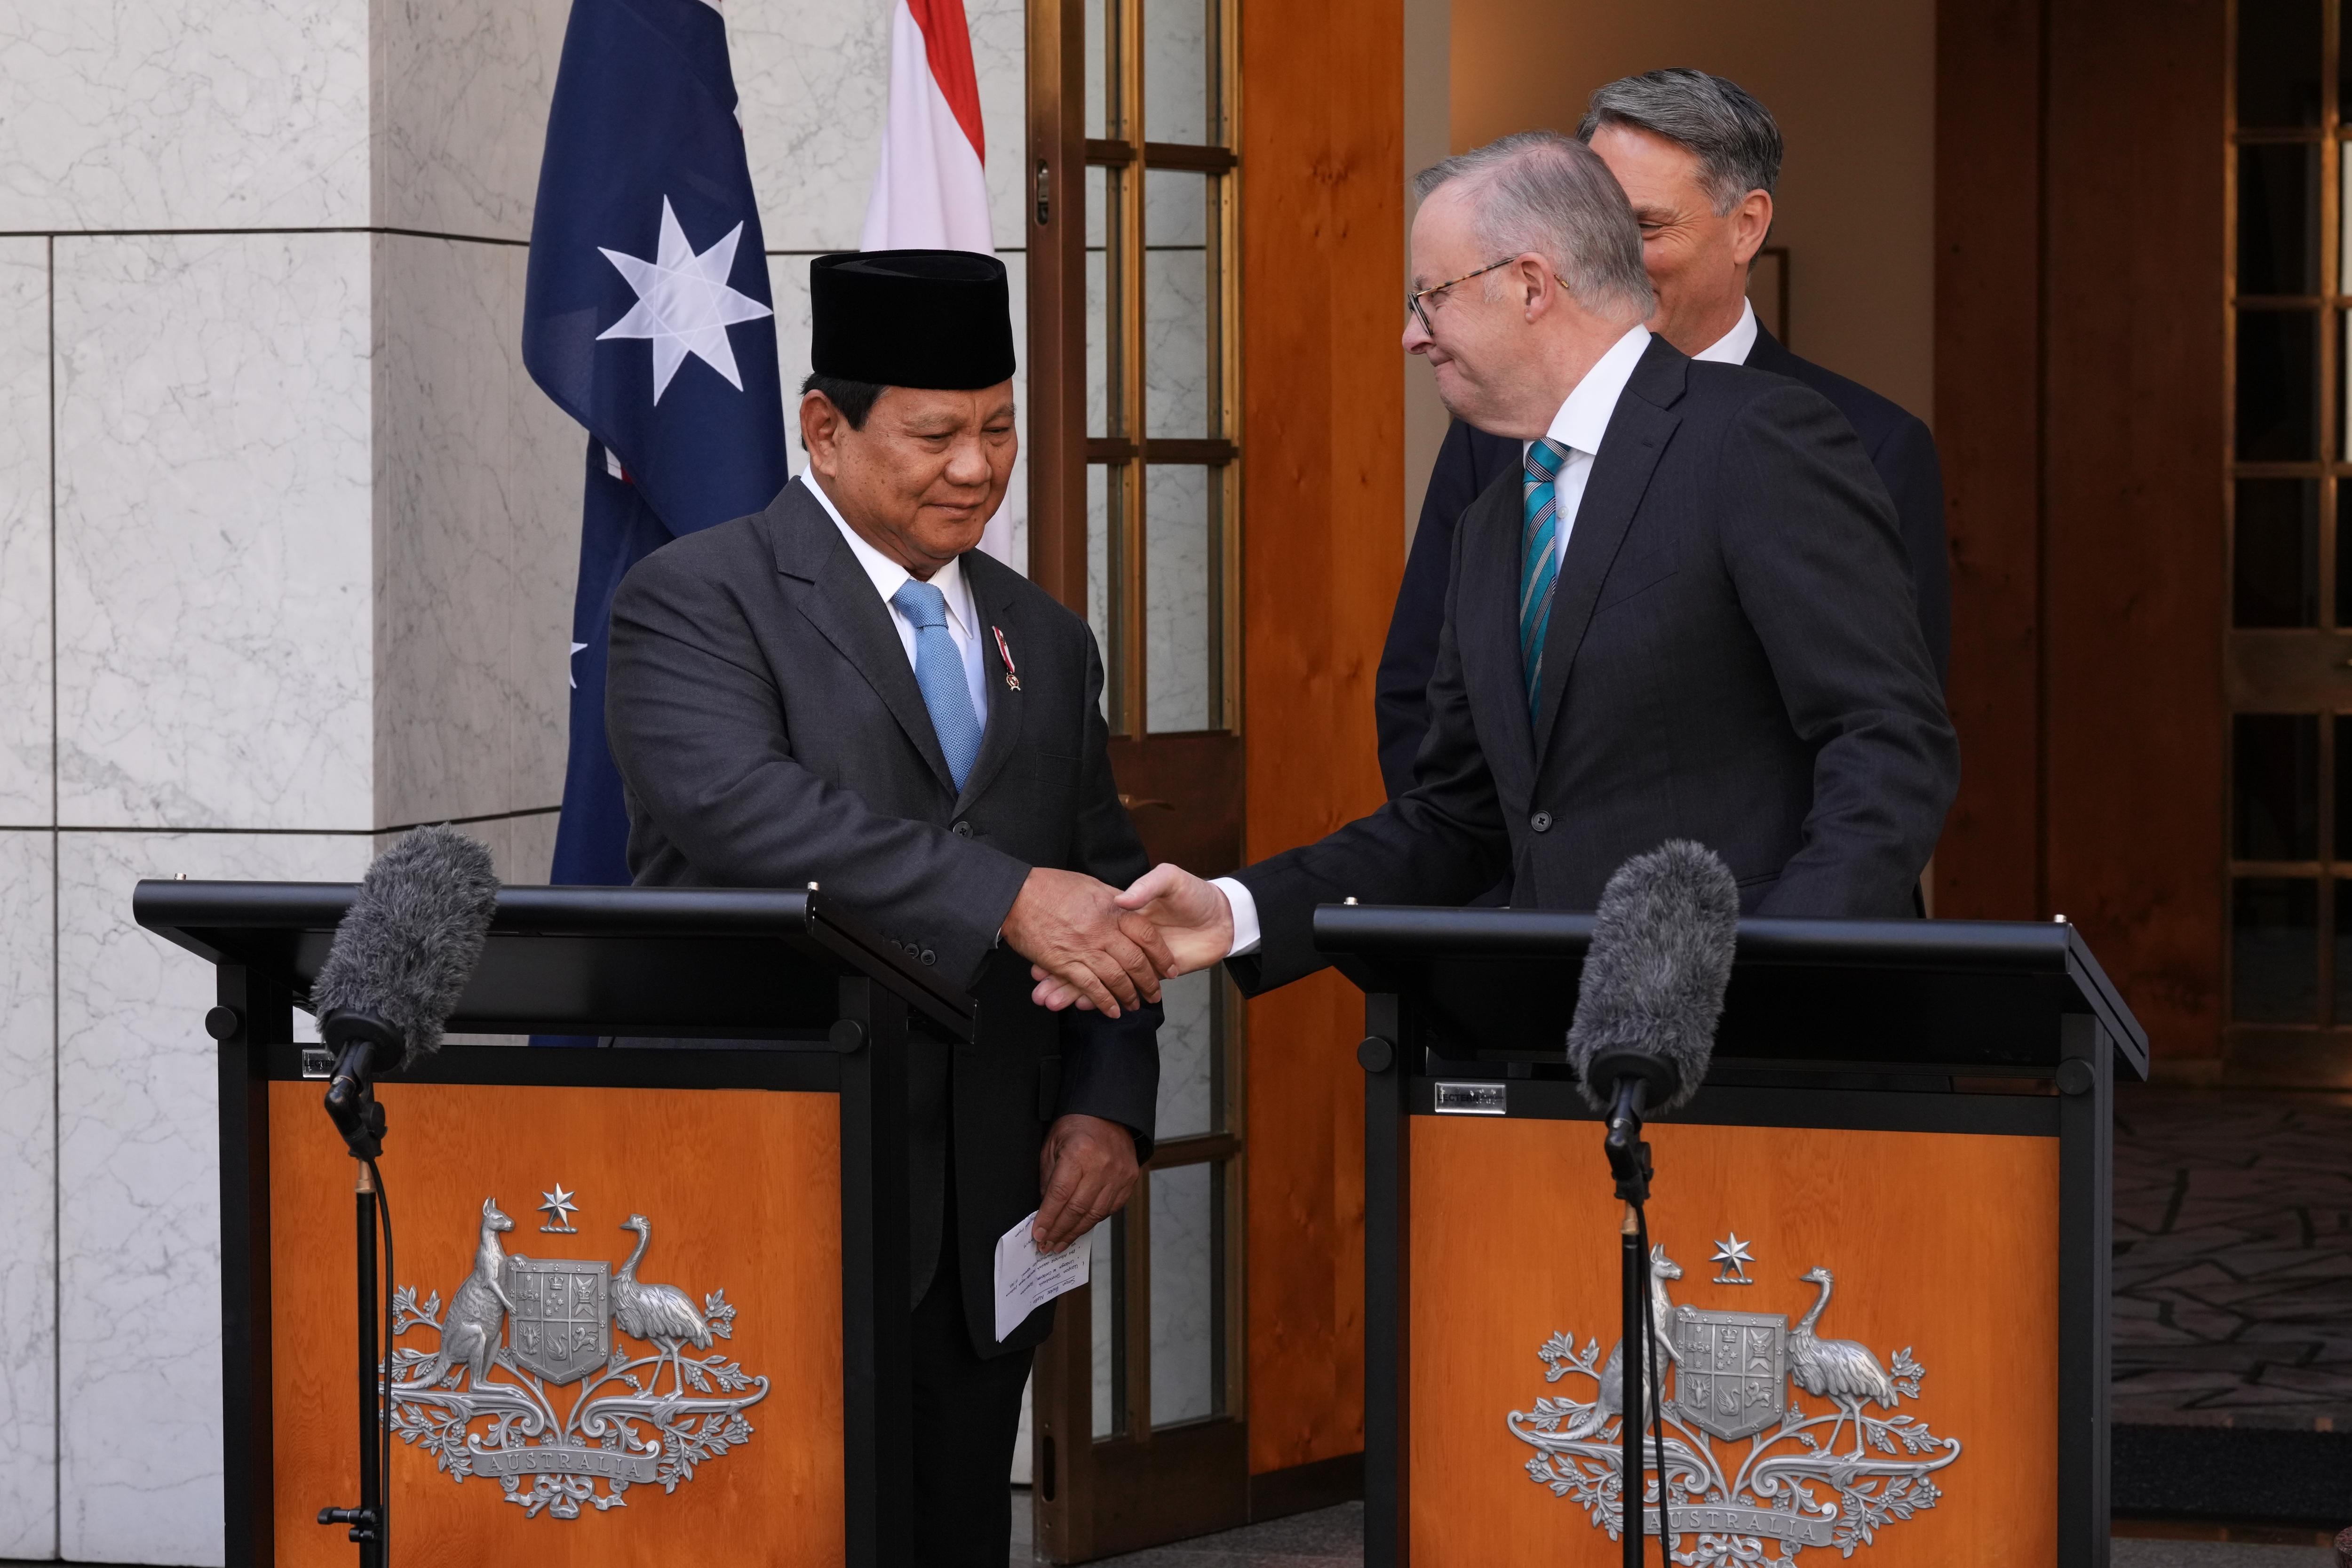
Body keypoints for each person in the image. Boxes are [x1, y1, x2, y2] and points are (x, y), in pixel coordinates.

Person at [1037, 133, 1958, 1004]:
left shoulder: (1753, 437)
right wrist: (1235, 911)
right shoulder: (1496, 518)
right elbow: (1455, 817)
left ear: (1529, 284)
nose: (1412, 335)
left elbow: (1887, 740)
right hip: (1558, 1055)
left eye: (1429, 296)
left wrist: (1773, 975)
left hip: (1758, 1058)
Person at [603, 250, 1164, 1565]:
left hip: (991, 1213)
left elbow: (1105, 879)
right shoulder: (698, 597)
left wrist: (1108, 1101)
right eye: (935, 434)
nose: (977, 468)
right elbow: (747, 813)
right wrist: (1004, 897)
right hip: (782, 1177)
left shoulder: (1046, 635)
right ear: (825, 428)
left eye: (1000, 429)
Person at [1375, 69, 1950, 800]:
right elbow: (1420, 697)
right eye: (1594, 227)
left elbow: (1884, 742)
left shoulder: (1870, 441)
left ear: (1747, 225)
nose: (1609, 257)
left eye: (1643, 229)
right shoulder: (1500, 432)